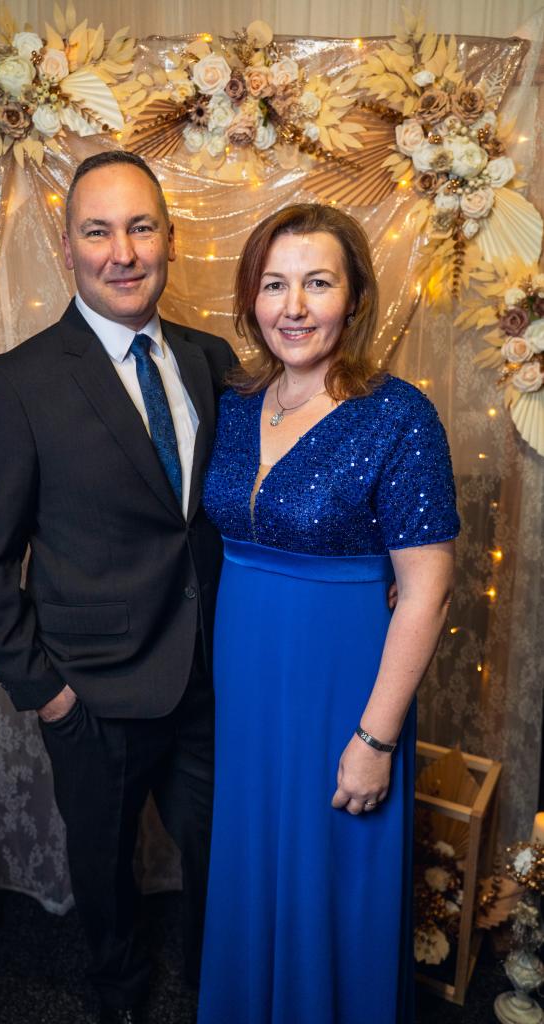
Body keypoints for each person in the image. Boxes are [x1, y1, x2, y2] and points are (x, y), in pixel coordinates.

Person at [0, 150, 236, 1024]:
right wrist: (49, 693)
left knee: (219, 850)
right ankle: (117, 994)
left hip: (209, 676)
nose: (123, 252)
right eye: (99, 231)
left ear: (170, 239)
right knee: (104, 867)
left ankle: (217, 982)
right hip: (94, 691)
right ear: (66, 245)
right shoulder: (17, 382)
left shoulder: (212, 359)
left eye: (141, 228)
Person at [198, 203, 459, 1024]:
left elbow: (426, 589)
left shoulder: (398, 415)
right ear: (251, 299)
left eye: (317, 283)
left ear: (353, 298)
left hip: (342, 689)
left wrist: (375, 739)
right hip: (248, 687)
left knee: (334, 873)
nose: (294, 307)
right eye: (274, 285)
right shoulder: (236, 405)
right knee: (254, 863)